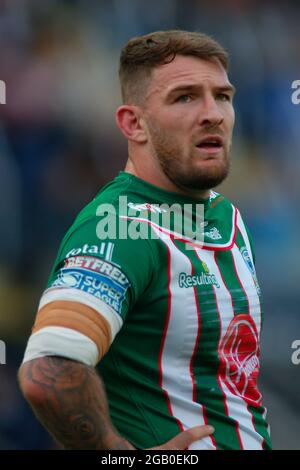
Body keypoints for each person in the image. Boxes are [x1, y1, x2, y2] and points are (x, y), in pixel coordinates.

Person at [18, 30, 272, 450]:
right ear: (133, 123)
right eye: (185, 97)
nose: (213, 114)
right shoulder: (119, 226)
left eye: (223, 96)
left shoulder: (226, 214)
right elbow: (49, 370)